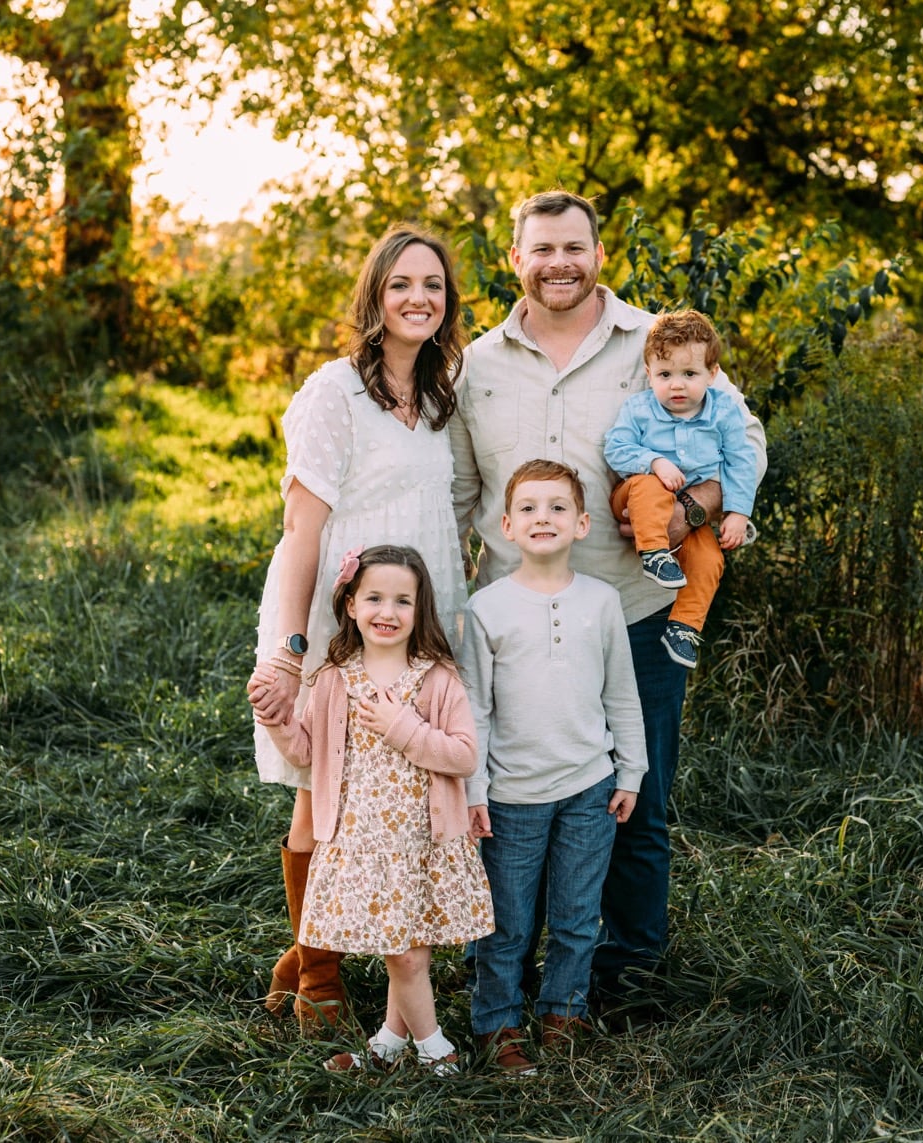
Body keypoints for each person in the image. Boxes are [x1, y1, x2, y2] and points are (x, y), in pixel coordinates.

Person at [448, 190, 767, 1011]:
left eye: (574, 248)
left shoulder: (657, 342)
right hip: (512, 620)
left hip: (635, 609)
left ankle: (624, 975)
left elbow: (745, 437)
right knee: (514, 799)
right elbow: (458, 492)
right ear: (515, 258)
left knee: (637, 792)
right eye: (542, 249)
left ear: (599, 255)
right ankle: (509, 970)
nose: (560, 263)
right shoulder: (477, 363)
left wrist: (691, 513)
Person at [247, 225, 468, 1031]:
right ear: (375, 295)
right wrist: (291, 649)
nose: (418, 297)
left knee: (395, 790)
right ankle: (323, 978)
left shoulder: (443, 397)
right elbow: (301, 532)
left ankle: (303, 954)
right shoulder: (333, 392)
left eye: (433, 286)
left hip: (417, 624)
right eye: (402, 283)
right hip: (340, 624)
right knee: (324, 794)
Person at [252, 544, 492, 1074]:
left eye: (402, 601)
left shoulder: (437, 679)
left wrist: (402, 728)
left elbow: (464, 754)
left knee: (411, 954)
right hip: (363, 844)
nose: (388, 612)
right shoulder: (335, 678)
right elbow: (307, 753)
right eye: (375, 598)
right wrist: (277, 719)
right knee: (401, 952)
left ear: (419, 609)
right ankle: (415, 1047)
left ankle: (415, 1047)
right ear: (352, 605)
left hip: (421, 841)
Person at [460, 459, 646, 1073]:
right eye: (531, 509)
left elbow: (622, 693)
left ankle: (563, 1011)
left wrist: (631, 772)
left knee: (575, 917)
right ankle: (497, 1022)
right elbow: (477, 711)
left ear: (583, 523)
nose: (545, 518)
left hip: (588, 790)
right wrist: (475, 790)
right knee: (508, 922)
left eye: (558, 507)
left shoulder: (600, 601)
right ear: (506, 525)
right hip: (512, 795)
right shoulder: (486, 609)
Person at [604, 309, 758, 669]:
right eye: (665, 374)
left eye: (689, 374)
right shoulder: (639, 409)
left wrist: (738, 512)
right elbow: (616, 447)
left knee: (709, 558)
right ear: (649, 373)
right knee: (649, 486)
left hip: (688, 515)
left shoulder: (723, 413)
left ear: (712, 374)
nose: (676, 385)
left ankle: (684, 628)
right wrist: (654, 462)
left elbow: (741, 461)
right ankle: (655, 554)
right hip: (635, 499)